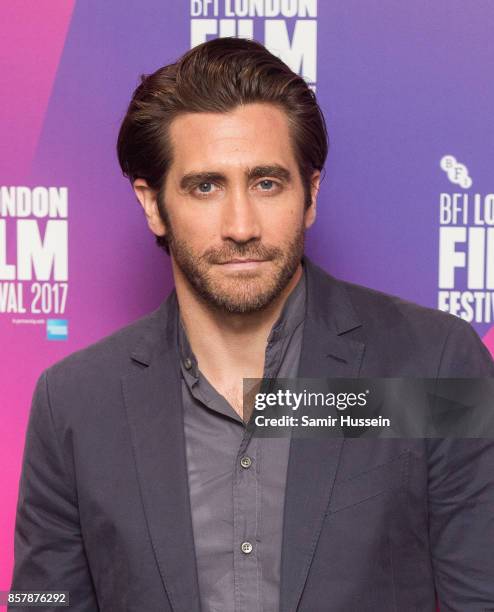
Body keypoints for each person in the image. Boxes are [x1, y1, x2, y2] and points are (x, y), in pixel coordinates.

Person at [10, 37, 494, 612]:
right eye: (205, 186)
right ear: (152, 203)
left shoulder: (432, 366)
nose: (241, 225)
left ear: (309, 194)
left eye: (267, 183)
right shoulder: (75, 403)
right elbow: (42, 600)